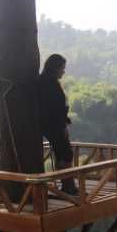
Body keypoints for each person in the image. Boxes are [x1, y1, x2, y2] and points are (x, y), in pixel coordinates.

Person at [38, 53, 77, 194]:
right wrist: (62, 124)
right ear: (55, 68)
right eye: (62, 68)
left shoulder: (45, 82)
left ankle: (67, 185)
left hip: (52, 124)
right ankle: (67, 186)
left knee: (62, 154)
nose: (63, 71)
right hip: (54, 124)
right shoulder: (49, 84)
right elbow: (53, 107)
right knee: (65, 154)